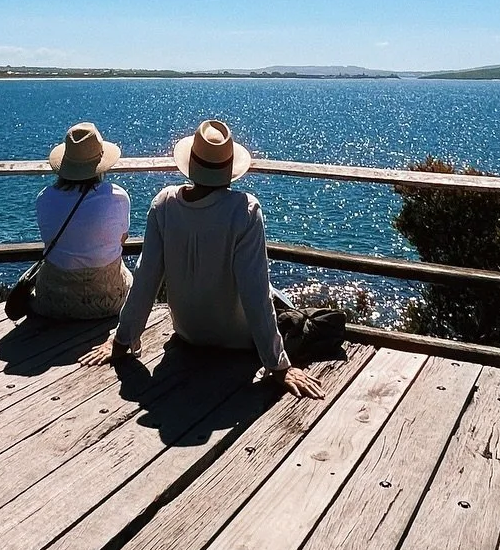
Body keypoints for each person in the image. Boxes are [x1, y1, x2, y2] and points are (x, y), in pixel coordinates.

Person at [85, 119, 323, 398]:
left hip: (189, 333)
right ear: (229, 168)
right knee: (291, 305)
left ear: (192, 163)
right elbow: (255, 293)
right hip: (238, 339)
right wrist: (279, 366)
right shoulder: (244, 210)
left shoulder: (164, 204)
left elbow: (146, 279)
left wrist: (121, 341)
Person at [29, 121, 133, 319]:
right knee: (129, 276)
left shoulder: (44, 198)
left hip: (55, 303)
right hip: (109, 302)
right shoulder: (118, 197)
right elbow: (122, 239)